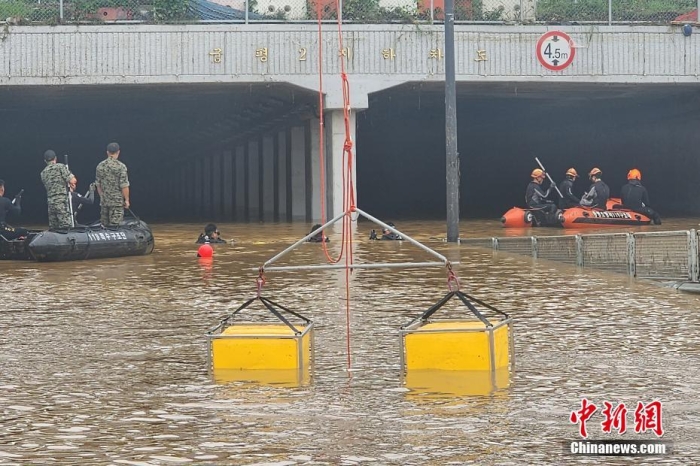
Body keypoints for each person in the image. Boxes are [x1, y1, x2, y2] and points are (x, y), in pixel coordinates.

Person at [95, 142, 130, 228]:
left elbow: (98, 185)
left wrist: (102, 197)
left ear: (107, 152)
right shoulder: (121, 166)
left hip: (104, 202)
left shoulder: (100, 166)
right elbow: (124, 185)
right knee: (115, 227)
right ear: (118, 152)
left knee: (104, 227)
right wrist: (126, 200)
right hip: (117, 202)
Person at [40, 149, 76, 230]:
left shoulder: (43, 173)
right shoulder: (60, 167)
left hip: (50, 201)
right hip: (61, 200)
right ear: (55, 158)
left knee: (54, 227)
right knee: (65, 226)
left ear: (45, 161)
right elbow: (73, 180)